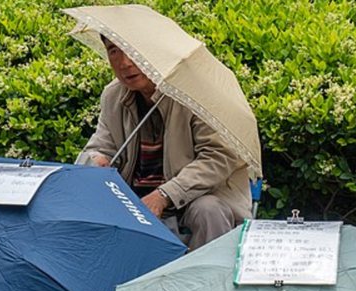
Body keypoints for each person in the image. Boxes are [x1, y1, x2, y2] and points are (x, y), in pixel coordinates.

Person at [82, 36, 252, 250]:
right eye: (114, 50)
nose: (124, 62)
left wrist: (165, 195)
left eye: (132, 49)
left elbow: (218, 157)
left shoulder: (196, 94)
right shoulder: (113, 95)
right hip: (133, 200)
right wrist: (97, 159)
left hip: (193, 198)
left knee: (208, 210)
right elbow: (100, 145)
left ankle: (205, 282)